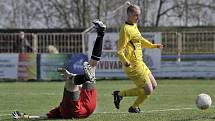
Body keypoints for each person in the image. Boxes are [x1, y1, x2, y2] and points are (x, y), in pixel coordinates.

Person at [12, 20, 106, 119]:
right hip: (76, 110)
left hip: (87, 108)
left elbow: (41, 117)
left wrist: (24, 116)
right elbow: (42, 117)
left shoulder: (59, 110)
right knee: (71, 80)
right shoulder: (60, 110)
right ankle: (85, 77)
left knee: (91, 67)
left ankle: (101, 34)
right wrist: (24, 116)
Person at [113, 4, 163, 113]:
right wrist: (125, 61)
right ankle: (120, 94)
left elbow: (140, 39)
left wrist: (154, 46)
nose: (138, 18)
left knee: (154, 85)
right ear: (129, 14)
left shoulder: (134, 25)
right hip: (133, 66)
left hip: (141, 64)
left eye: (139, 15)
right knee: (148, 90)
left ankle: (134, 107)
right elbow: (120, 51)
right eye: (136, 15)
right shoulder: (125, 29)